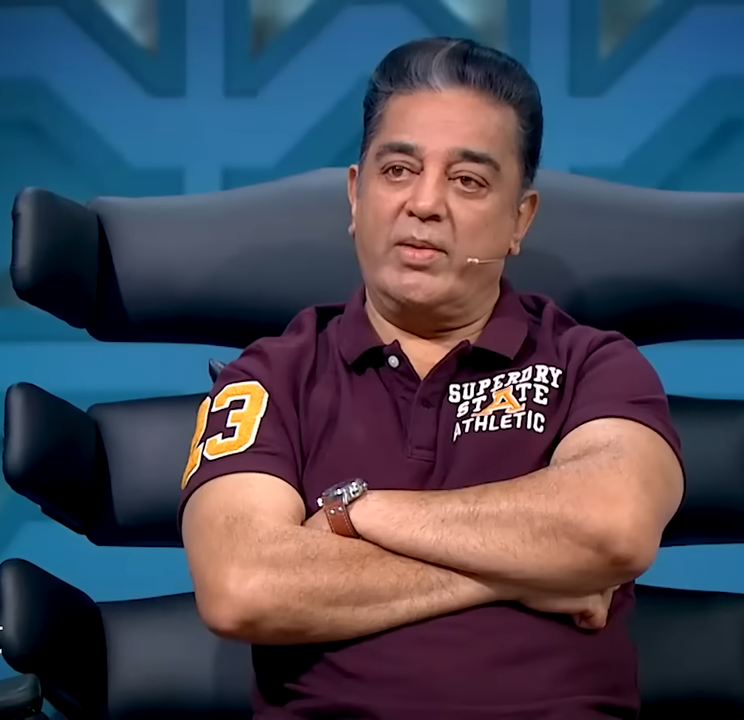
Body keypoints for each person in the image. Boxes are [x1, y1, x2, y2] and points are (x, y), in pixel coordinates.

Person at [179, 36, 685, 720]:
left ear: (519, 220)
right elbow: (243, 586)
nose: (425, 203)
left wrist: (356, 513)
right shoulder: (269, 377)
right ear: (356, 195)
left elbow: (611, 531)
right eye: (397, 170)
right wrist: (525, 570)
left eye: (468, 180)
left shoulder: (595, 364)